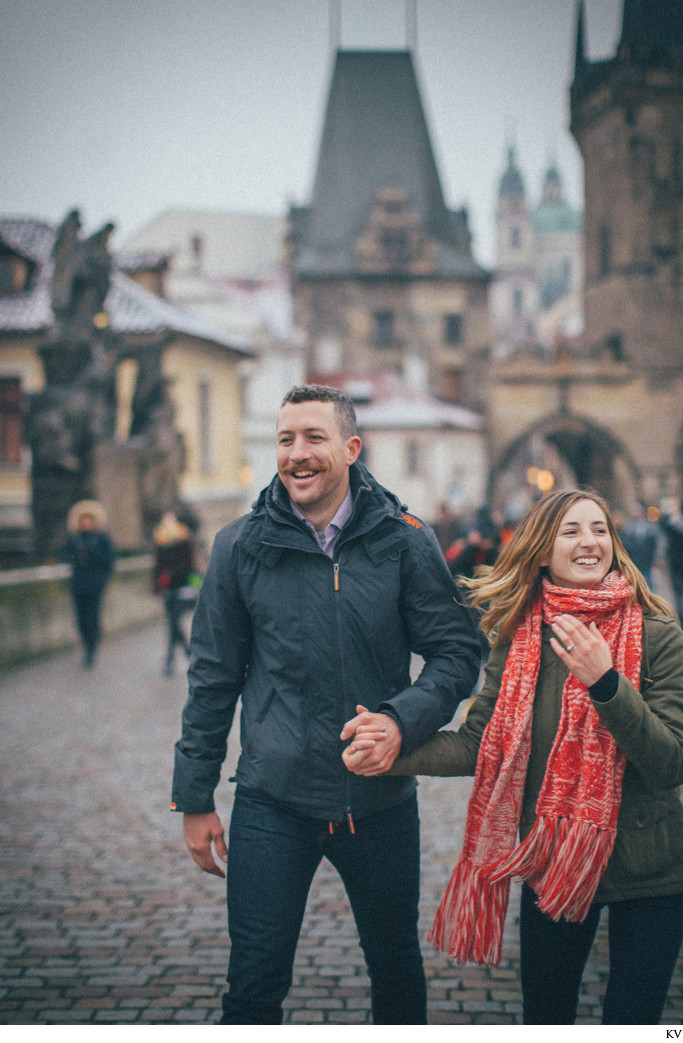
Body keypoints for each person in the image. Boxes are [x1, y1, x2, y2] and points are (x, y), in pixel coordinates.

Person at [171, 384, 481, 1025]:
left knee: (396, 966)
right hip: (272, 799)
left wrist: (402, 720)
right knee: (253, 982)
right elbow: (211, 682)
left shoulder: (403, 540)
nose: (297, 454)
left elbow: (456, 653)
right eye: (286, 439)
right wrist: (195, 798)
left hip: (381, 800)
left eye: (314, 438)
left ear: (350, 448)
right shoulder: (239, 548)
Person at [343, 489, 683, 1025]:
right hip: (553, 864)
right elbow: (478, 744)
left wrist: (606, 682)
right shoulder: (520, 638)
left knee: (638, 1024)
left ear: (615, 545)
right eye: (570, 531)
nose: (588, 541)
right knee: (546, 1017)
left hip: (652, 870)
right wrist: (395, 748)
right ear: (543, 552)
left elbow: (670, 763)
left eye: (599, 530)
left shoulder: (660, 635)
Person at [62, 499, 116, 668]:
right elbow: (64, 556)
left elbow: (109, 561)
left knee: (92, 617)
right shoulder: (74, 539)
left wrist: (92, 557)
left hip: (95, 584)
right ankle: (87, 645)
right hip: (78, 584)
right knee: (81, 619)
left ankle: (92, 649)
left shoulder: (101, 539)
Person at [152, 511, 198, 677]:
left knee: (174, 622)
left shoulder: (185, 539)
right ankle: (188, 655)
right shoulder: (160, 540)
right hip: (166, 588)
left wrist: (173, 574)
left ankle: (171, 659)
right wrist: (156, 586)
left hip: (181, 587)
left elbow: (190, 564)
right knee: (173, 623)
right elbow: (157, 565)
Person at [660, 497, 683, 622]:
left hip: (677, 562)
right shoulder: (667, 522)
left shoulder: (673, 523)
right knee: (678, 594)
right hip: (675, 564)